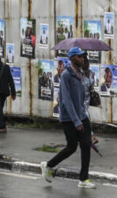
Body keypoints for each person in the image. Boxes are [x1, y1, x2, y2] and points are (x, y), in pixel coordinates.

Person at [40, 47, 96, 189]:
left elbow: (82, 101)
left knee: (86, 145)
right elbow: (67, 100)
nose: (82, 58)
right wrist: (76, 121)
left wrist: (88, 126)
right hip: (69, 118)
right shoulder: (66, 75)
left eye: (83, 56)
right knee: (71, 147)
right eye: (79, 56)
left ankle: (83, 179)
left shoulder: (82, 75)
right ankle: (48, 165)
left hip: (82, 116)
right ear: (72, 58)